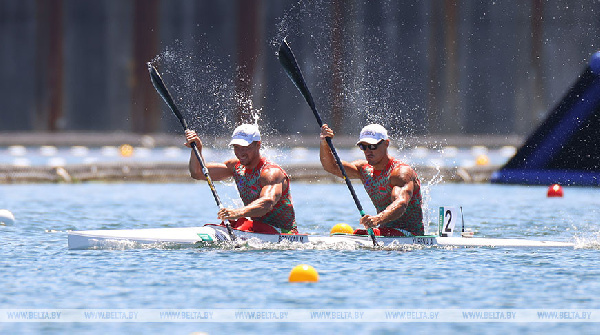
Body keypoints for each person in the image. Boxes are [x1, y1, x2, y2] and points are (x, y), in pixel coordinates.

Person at [185, 124, 298, 234]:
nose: (240, 153)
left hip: (282, 232)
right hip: (256, 229)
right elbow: (198, 173)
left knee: (240, 222)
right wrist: (198, 148)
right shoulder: (236, 167)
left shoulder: (271, 172)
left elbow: (267, 203)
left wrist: (237, 212)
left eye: (245, 148)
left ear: (258, 145)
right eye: (236, 147)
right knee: (231, 223)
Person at [319, 123, 423, 236]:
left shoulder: (400, 172)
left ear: (386, 143)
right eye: (363, 146)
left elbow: (401, 203)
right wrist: (325, 143)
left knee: (359, 233)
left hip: (410, 233)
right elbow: (332, 167)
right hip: (384, 232)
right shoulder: (364, 170)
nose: (368, 151)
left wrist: (378, 219)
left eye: (372, 146)